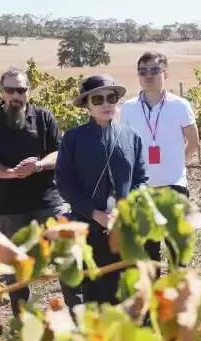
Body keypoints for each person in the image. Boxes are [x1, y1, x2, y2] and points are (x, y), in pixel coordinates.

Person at [0, 67, 68, 316]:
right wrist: (10, 173)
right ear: (1, 92)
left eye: (21, 90)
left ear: (28, 92)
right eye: (10, 90)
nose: (15, 95)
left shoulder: (43, 117)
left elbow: (59, 152)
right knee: (16, 269)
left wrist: (38, 166)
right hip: (10, 207)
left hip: (48, 201)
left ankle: (77, 311)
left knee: (66, 254)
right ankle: (24, 323)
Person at [56, 75, 148, 306]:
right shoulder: (73, 138)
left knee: (125, 290)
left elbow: (141, 180)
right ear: (87, 105)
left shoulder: (132, 136)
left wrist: (123, 210)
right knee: (95, 293)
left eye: (111, 97)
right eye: (98, 99)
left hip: (124, 229)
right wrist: (94, 213)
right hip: (88, 228)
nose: (106, 104)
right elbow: (65, 183)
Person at [120, 51, 200, 264]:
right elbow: (125, 148)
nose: (148, 76)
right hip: (142, 189)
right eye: (142, 71)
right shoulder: (128, 109)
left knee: (177, 250)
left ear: (165, 73)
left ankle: (178, 293)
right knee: (148, 254)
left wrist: (176, 163)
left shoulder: (180, 105)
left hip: (174, 186)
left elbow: (193, 142)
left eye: (154, 70)